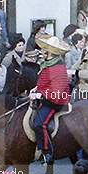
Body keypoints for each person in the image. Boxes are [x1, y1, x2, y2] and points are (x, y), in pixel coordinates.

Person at [31, 35, 72, 164]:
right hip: (46, 97)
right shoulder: (48, 63)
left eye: (44, 49)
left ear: (49, 52)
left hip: (54, 101)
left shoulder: (57, 68)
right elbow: (46, 82)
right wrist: (36, 88)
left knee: (39, 124)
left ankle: (47, 152)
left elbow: (57, 92)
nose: (42, 51)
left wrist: (40, 95)